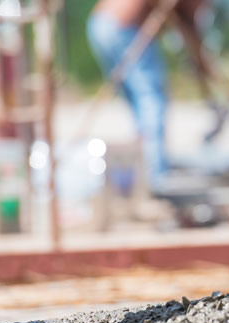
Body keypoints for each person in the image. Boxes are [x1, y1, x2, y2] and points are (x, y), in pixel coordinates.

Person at [87, 0, 204, 194]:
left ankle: (143, 169)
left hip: (100, 23)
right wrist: (202, 66)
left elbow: (186, 25)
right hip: (124, 26)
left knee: (139, 104)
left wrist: (201, 67)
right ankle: (154, 176)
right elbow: (190, 24)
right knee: (152, 98)